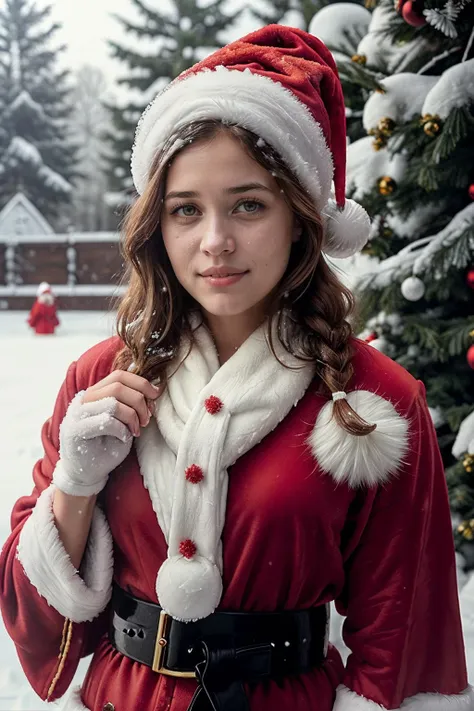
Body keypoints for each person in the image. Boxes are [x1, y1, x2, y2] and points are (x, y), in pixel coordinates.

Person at [0, 25, 470, 711]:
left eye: (248, 204)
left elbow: (403, 645)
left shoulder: (375, 400)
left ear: (300, 218)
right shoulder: (97, 381)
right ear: (158, 227)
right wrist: (75, 482)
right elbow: (36, 620)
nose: (215, 241)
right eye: (186, 210)